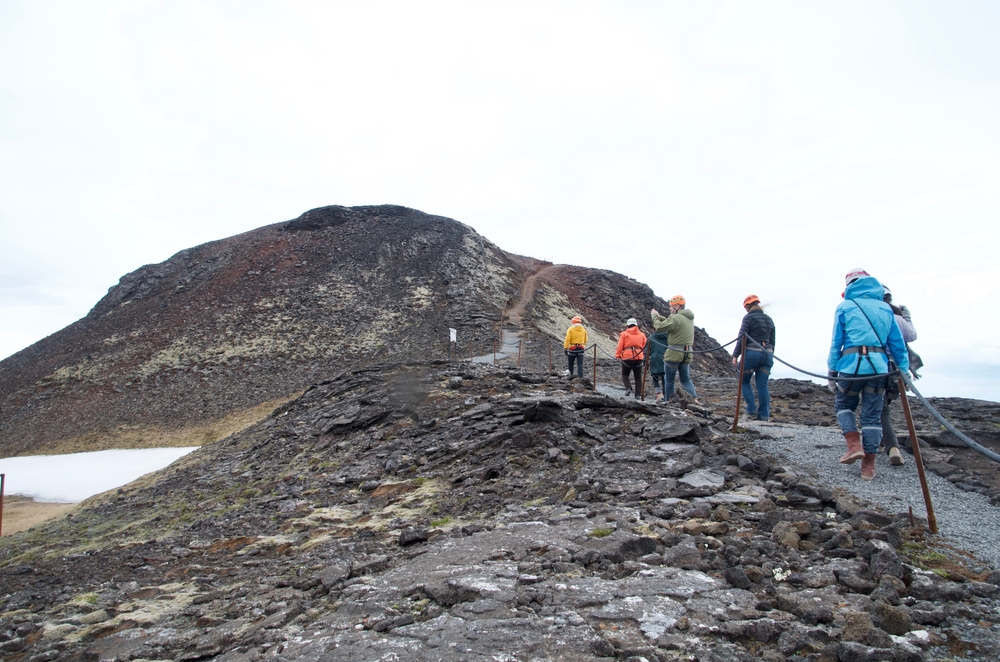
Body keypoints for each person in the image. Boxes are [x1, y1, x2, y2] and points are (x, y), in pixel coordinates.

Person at [828, 268, 909, 481]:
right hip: (878, 369)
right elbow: (897, 344)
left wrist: (832, 370)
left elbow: (837, 342)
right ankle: (869, 466)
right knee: (872, 416)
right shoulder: (885, 309)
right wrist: (903, 369)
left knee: (844, 405)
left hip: (850, 366)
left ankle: (854, 445)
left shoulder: (845, 307)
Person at [878, 285, 919, 466]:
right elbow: (911, 336)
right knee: (883, 406)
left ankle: (892, 446)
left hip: (876, 366)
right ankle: (881, 441)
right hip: (897, 369)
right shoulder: (898, 318)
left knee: (880, 408)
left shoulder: (875, 315)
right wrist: (906, 318)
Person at [731, 294, 775, 421]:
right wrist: (770, 354)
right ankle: (764, 415)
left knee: (743, 381)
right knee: (762, 385)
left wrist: (735, 355)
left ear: (747, 307)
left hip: (751, 353)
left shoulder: (748, 318)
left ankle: (750, 410)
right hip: (767, 354)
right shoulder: (769, 319)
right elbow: (772, 340)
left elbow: (742, 337)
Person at [652, 295, 698, 403]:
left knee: (669, 380)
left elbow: (659, 327)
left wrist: (654, 317)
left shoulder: (675, 318)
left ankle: (669, 402)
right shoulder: (688, 318)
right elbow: (672, 323)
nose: (670, 308)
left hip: (674, 352)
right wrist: (661, 317)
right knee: (685, 379)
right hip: (687, 352)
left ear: (677, 306)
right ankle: (694, 399)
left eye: (671, 306)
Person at [615, 318, 647, 398]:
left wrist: (618, 355)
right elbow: (644, 345)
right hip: (639, 357)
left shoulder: (624, 334)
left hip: (627, 357)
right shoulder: (642, 335)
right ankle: (638, 394)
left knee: (625, 374)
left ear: (627, 325)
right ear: (636, 325)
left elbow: (620, 346)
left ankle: (628, 388)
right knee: (638, 376)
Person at [647, 317, 669, 403]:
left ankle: (659, 393)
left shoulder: (651, 337)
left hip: (655, 359)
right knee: (665, 378)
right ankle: (665, 394)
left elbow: (646, 351)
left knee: (655, 377)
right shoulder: (668, 337)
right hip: (666, 359)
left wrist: (645, 361)